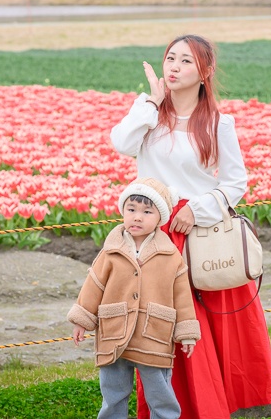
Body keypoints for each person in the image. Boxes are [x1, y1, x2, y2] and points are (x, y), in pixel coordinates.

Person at [110, 35, 271, 419]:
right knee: (158, 325)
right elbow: (120, 143)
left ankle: (208, 408)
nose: (174, 67)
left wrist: (199, 209)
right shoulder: (148, 113)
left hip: (198, 234)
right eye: (170, 58)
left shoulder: (219, 123)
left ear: (205, 72)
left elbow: (235, 183)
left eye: (186, 61)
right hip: (154, 232)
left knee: (200, 325)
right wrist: (152, 103)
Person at [68, 177, 200, 419]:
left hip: (154, 336)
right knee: (113, 393)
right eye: (131, 209)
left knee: (161, 395)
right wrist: (82, 320)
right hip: (114, 334)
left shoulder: (171, 256)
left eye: (147, 211)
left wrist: (187, 332)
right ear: (123, 211)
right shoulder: (111, 250)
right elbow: (93, 285)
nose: (137, 216)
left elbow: (182, 296)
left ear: (160, 218)